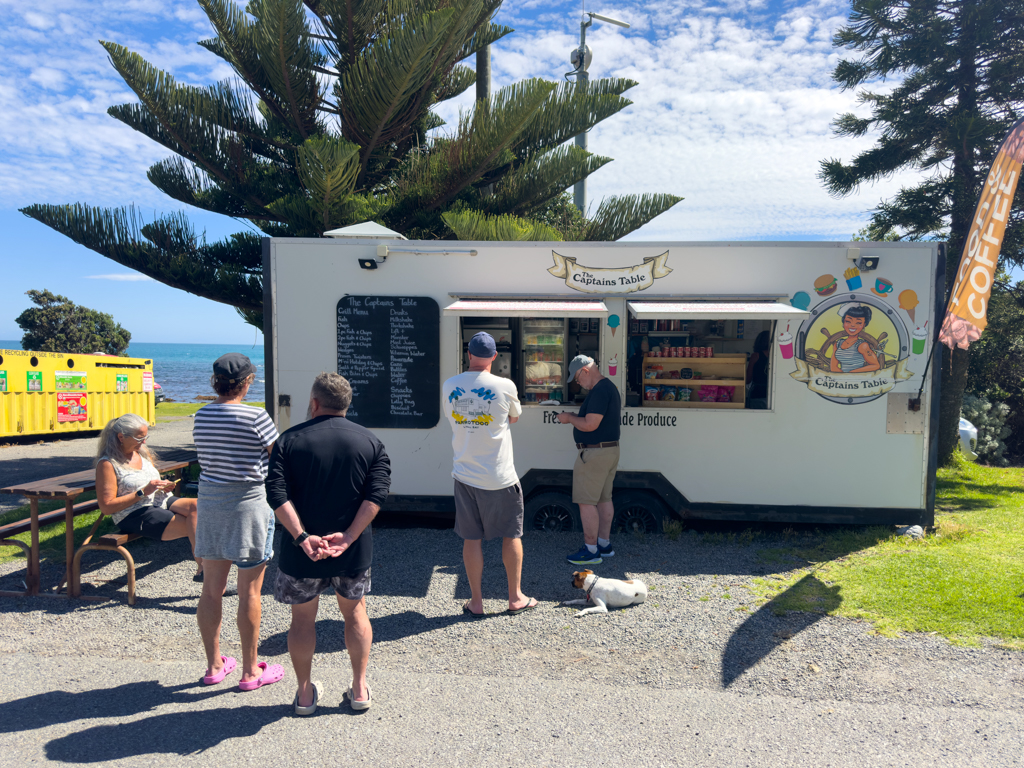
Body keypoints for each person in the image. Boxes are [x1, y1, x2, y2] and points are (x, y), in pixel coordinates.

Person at [266, 372, 391, 715]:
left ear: (314, 402)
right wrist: (349, 535)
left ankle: (305, 694)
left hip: (301, 551)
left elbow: (275, 494)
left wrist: (302, 536)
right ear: (347, 405)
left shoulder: (288, 441)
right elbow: (377, 495)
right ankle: (360, 688)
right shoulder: (370, 442)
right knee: (355, 613)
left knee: (302, 621)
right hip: (351, 549)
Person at [193, 353, 283, 691]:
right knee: (250, 592)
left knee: (211, 590)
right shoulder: (256, 416)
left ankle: (214, 665)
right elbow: (279, 458)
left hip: (211, 504)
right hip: (248, 504)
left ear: (215, 382)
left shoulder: (202, 416)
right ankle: (249, 670)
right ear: (247, 382)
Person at [442, 332, 536, 618]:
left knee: (472, 539)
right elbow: (514, 417)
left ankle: (476, 602)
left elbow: (452, 419)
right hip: (500, 476)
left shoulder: (450, 385)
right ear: (494, 356)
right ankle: (515, 598)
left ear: (468, 354)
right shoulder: (505, 385)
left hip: (465, 475)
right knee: (511, 535)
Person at [94, 413, 201, 573]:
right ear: (121, 437)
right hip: (134, 512)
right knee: (197, 524)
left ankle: (204, 568)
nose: (144, 442)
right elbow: (106, 507)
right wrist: (142, 492)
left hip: (160, 500)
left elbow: (150, 482)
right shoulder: (108, 464)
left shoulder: (142, 453)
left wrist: (163, 486)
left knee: (201, 507)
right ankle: (204, 569)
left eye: (145, 437)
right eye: (139, 438)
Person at [557, 355, 621, 565]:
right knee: (604, 499)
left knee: (586, 502)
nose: (578, 384)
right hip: (609, 451)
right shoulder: (608, 387)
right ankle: (604, 545)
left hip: (594, 454)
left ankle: (591, 550)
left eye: (577, 378)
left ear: (585, 370)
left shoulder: (599, 390)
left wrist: (569, 418)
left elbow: (590, 424)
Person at [829, 303, 880, 373]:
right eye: (848, 321)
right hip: (841, 378)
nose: (852, 325)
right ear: (843, 322)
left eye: (858, 323)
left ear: (864, 325)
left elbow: (875, 365)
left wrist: (851, 373)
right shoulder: (838, 344)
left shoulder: (862, 346)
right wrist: (843, 377)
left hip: (858, 378)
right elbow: (833, 367)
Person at [746, 330, 771, 409]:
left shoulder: (756, 356)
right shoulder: (776, 355)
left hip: (757, 393)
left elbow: (748, 379)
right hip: (774, 393)